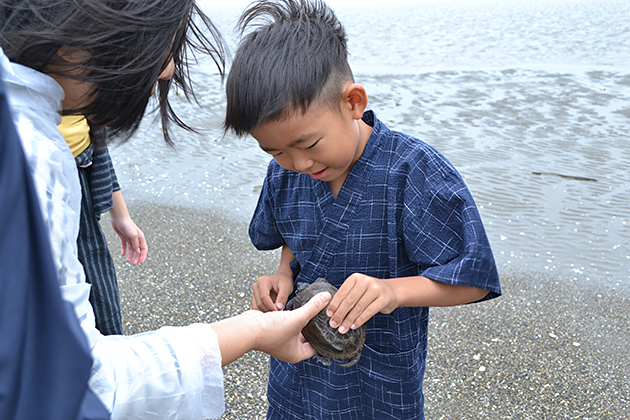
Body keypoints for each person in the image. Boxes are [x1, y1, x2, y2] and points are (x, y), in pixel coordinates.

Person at [0, 1, 332, 419]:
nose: (167, 69)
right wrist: (250, 330)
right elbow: (76, 382)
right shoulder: (30, 155)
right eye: (159, 46)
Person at [223, 0, 502, 418]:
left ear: (353, 102)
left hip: (380, 388)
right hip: (295, 380)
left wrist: (392, 291)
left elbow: (474, 279)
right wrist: (281, 274)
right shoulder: (284, 174)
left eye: (309, 144)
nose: (299, 164)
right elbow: (292, 237)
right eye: (277, 151)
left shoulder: (412, 171)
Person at [58, 114, 147, 335]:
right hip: (29, 180)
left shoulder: (83, 100)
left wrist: (120, 213)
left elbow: (94, 133)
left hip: (80, 173)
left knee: (99, 298)